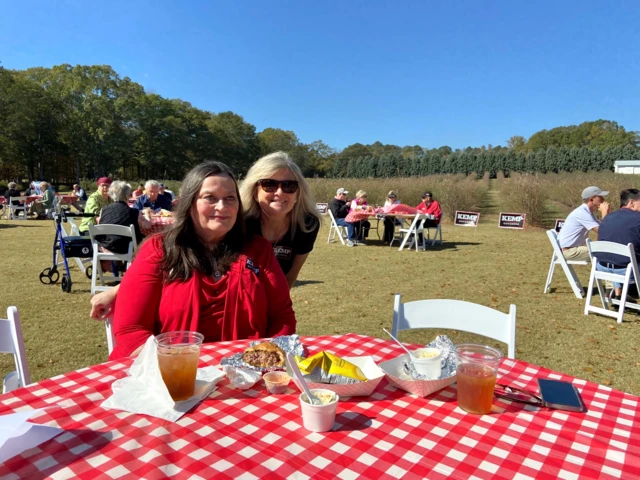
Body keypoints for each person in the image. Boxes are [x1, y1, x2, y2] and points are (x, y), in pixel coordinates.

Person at [108, 161, 296, 360]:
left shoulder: (258, 250)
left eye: (230, 198)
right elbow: (131, 330)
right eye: (210, 198)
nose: (222, 207)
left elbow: (282, 316)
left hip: (245, 374)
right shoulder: (159, 249)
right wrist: (178, 369)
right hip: (170, 373)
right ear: (189, 203)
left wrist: (263, 360)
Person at [241, 151, 321, 289]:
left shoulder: (307, 225)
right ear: (254, 193)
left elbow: (289, 277)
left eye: (289, 185)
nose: (279, 192)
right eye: (269, 184)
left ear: (298, 194)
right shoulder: (239, 223)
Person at [596, 189, 640, 299]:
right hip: (626, 270)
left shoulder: (607, 218)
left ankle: (619, 294)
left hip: (602, 267)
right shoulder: (637, 219)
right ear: (632, 202)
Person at [558, 186, 610, 262]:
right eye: (600, 197)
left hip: (572, 249)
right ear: (591, 199)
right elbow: (602, 230)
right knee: (607, 254)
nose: (603, 200)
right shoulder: (582, 213)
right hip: (570, 251)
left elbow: (604, 229)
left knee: (606, 252)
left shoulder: (587, 213)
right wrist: (604, 212)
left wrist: (607, 214)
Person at [96, 181, 147, 253]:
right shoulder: (134, 212)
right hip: (128, 248)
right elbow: (147, 226)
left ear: (111, 194)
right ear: (127, 196)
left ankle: (118, 263)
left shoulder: (103, 210)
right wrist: (147, 214)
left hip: (106, 247)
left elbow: (100, 224)